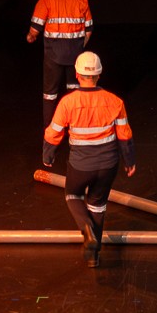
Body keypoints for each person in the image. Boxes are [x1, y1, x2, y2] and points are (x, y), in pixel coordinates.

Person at [42, 52, 137, 266]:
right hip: (108, 166)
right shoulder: (115, 101)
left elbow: (53, 133)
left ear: (76, 74)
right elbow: (125, 135)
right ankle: (93, 257)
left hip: (80, 166)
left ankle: (87, 230)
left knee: (73, 196)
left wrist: (48, 155)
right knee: (97, 205)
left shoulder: (68, 103)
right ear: (99, 74)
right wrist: (129, 160)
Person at [27, 0, 95, 103]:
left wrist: (31, 36)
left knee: (49, 95)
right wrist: (80, 45)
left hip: (52, 55)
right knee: (74, 92)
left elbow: (35, 29)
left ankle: (49, 125)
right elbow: (88, 30)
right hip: (75, 54)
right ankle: (75, 125)